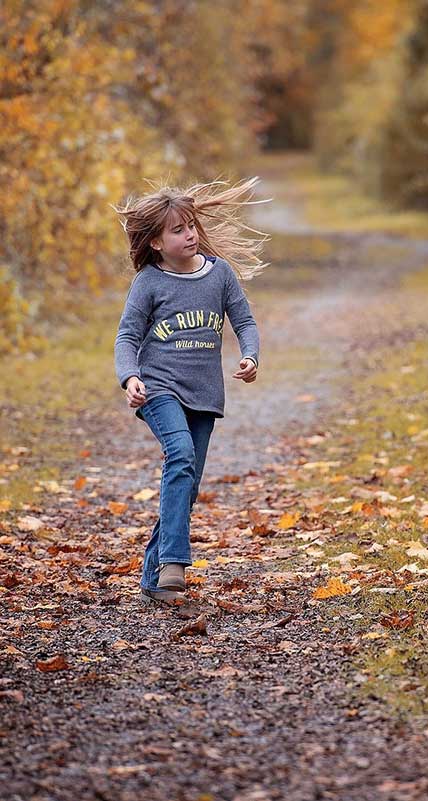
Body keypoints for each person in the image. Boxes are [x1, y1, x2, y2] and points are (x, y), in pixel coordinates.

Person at [113, 177, 269, 605]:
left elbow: (245, 321)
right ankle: (176, 563)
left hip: (205, 394)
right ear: (157, 243)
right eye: (178, 230)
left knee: (187, 480)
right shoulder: (149, 282)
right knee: (179, 456)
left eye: (191, 226)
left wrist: (251, 356)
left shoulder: (219, 275)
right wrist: (130, 377)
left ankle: (155, 578)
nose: (190, 235)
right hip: (159, 389)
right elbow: (127, 336)